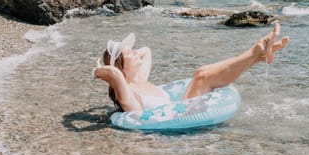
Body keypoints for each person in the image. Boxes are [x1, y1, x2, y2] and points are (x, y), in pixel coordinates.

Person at [94, 23, 289, 112]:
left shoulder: (139, 79)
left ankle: (257, 57)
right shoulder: (127, 94)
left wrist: (127, 53)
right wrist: (100, 71)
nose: (136, 53)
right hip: (181, 118)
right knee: (201, 75)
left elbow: (147, 50)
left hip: (181, 109)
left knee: (202, 74)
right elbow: (113, 73)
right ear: (120, 69)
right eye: (129, 54)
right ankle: (255, 52)